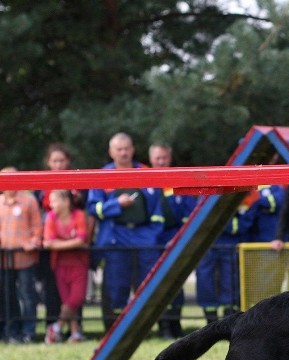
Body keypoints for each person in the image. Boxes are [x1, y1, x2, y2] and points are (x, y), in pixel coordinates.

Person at [86, 133, 165, 332]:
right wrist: (117, 205)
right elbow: (94, 208)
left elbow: (158, 212)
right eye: (118, 149)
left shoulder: (146, 173)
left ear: (133, 149)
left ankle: (143, 329)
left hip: (144, 240)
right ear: (111, 152)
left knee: (146, 286)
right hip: (115, 240)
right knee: (116, 287)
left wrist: (151, 236)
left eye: (126, 148)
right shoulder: (102, 175)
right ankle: (113, 331)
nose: (123, 152)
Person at [150, 143, 196, 339]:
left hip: (176, 241)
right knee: (159, 286)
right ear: (151, 159)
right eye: (157, 158)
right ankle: (164, 327)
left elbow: (188, 214)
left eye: (164, 158)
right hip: (153, 244)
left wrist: (178, 240)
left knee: (177, 285)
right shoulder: (146, 183)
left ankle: (176, 325)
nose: (161, 162)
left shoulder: (179, 181)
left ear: (170, 158)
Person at [0, 168, 43, 344]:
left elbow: (37, 227)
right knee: (7, 297)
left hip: (25, 258)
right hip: (4, 260)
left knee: (27, 296)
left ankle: (28, 332)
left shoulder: (29, 200)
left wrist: (32, 242)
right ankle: (11, 331)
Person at [43, 190, 89, 343]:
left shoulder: (79, 215)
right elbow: (47, 242)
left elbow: (81, 240)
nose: (51, 204)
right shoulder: (50, 217)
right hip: (60, 264)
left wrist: (58, 244)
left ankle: (56, 327)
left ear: (66, 201)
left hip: (79, 263)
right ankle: (75, 333)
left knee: (76, 298)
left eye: (54, 201)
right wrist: (70, 242)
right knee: (67, 301)